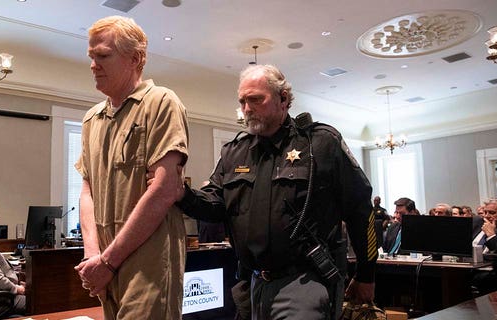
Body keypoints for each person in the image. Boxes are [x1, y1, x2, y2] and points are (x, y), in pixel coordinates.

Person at [174, 64, 376, 319]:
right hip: (252, 283)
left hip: (304, 281)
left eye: (256, 99)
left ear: (283, 99)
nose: (247, 109)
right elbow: (215, 205)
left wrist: (367, 274)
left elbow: (360, 210)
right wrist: (182, 193)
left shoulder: (320, 144)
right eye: (243, 102)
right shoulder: (235, 151)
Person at [73, 16, 189, 319]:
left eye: (103, 56)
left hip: (148, 262)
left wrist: (108, 261)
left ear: (135, 58)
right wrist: (92, 257)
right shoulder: (91, 119)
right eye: (91, 56)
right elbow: (87, 191)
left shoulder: (162, 103)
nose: (93, 64)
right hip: (105, 260)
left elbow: (163, 191)